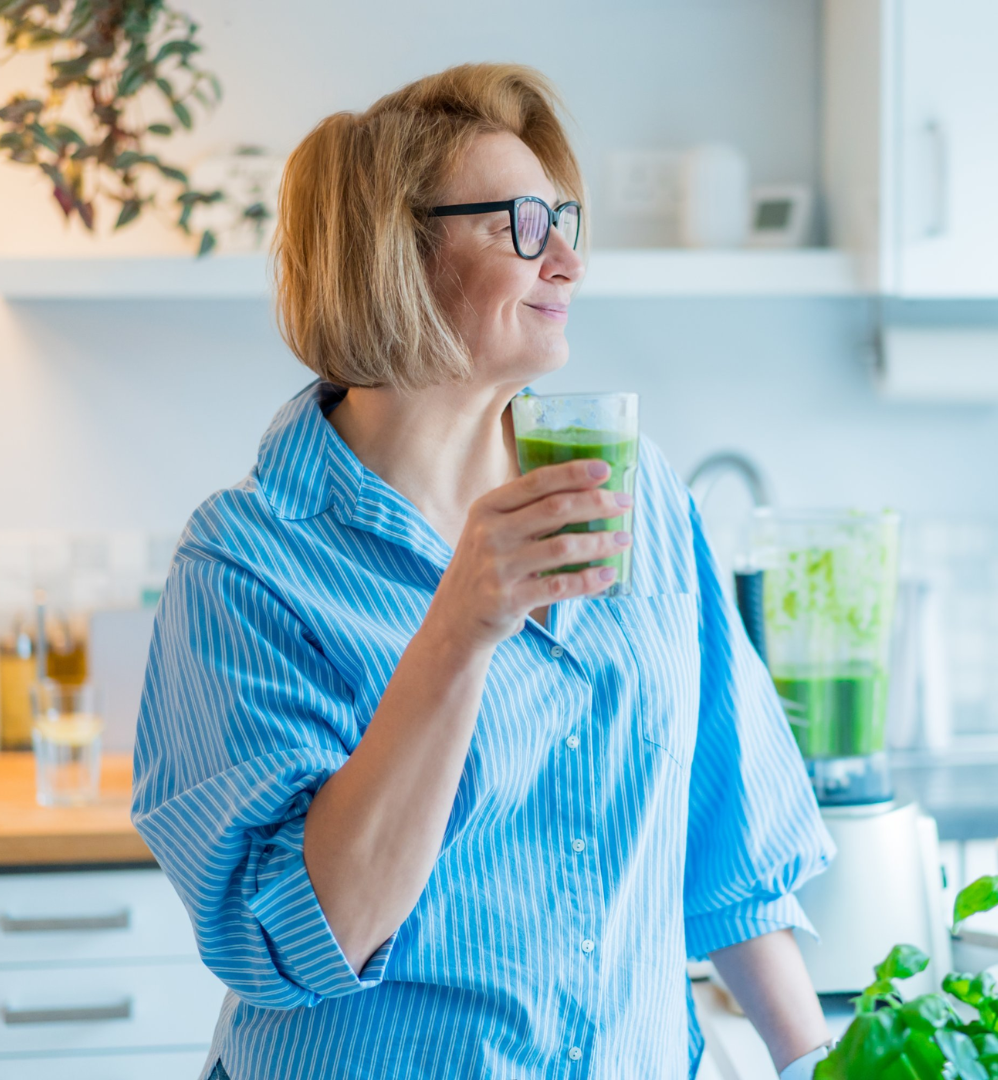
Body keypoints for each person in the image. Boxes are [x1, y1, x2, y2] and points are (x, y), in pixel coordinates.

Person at [131, 64, 836, 1080]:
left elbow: (729, 836)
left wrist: (812, 1057)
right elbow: (294, 941)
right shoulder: (247, 564)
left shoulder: (634, 495)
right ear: (395, 255)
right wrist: (461, 625)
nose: (567, 263)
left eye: (565, 220)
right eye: (520, 223)